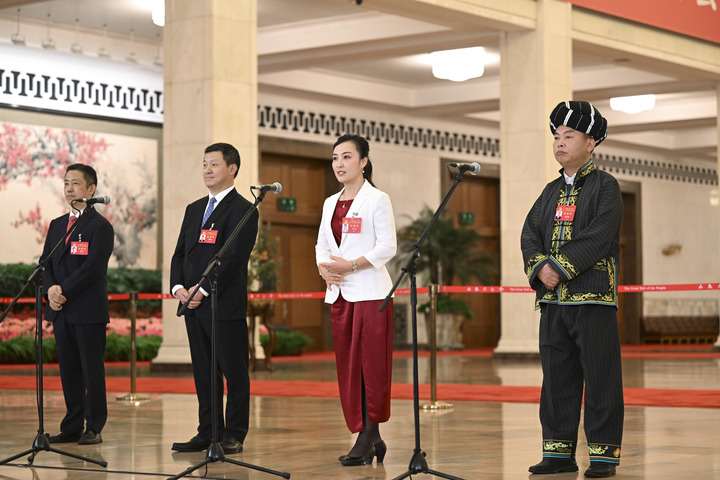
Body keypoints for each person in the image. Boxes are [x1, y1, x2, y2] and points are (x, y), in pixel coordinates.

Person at [521, 101, 624, 478]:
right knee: (556, 380)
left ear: (590, 143)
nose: (560, 143)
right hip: (553, 303)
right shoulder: (550, 191)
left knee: (601, 379)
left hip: (594, 299)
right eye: (556, 137)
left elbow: (600, 235)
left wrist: (558, 267)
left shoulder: (606, 186)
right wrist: (539, 268)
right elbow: (529, 233)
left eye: (569, 136)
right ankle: (558, 454)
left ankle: (603, 457)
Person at [170, 143, 258, 455]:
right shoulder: (194, 208)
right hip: (192, 304)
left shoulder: (244, 209)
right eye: (204, 164)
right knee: (204, 372)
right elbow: (181, 252)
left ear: (232, 169)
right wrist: (179, 287)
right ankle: (208, 432)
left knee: (234, 372)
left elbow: (233, 258)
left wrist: (203, 289)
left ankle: (233, 434)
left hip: (224, 304)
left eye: (214, 164)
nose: (207, 170)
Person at [315, 134, 397, 466]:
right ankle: (371, 437)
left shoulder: (377, 199)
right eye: (335, 157)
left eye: (347, 157)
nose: (339, 163)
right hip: (340, 295)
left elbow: (387, 247)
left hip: (371, 295)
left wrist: (349, 266)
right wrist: (324, 270)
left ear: (363, 162)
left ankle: (368, 434)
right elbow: (321, 245)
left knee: (371, 368)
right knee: (350, 369)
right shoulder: (329, 202)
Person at [41, 163, 115, 445]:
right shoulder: (57, 225)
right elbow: (45, 263)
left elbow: (92, 268)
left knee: (90, 370)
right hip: (61, 310)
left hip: (87, 310)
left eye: (75, 183)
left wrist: (63, 290)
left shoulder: (100, 226)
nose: (69, 188)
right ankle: (72, 425)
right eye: (66, 183)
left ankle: (94, 426)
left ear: (91, 189)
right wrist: (50, 289)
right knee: (69, 371)